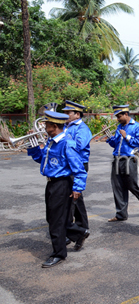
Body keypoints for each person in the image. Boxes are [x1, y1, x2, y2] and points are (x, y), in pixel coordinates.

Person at [27, 111, 89, 268]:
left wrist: (77, 188)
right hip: (51, 184)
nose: (44, 127)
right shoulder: (51, 142)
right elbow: (42, 159)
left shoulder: (67, 144)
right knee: (53, 218)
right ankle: (79, 233)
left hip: (62, 184)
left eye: (46, 125)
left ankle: (59, 254)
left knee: (56, 221)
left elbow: (79, 169)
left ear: (54, 126)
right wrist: (33, 147)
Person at [106, 105, 139, 222]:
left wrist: (126, 136)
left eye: (119, 116)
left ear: (126, 114)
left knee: (132, 186)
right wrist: (109, 137)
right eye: (117, 116)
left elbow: (138, 142)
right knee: (117, 187)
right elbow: (115, 144)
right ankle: (121, 214)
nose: (118, 119)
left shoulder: (136, 126)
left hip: (129, 159)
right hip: (117, 158)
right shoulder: (119, 127)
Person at [62, 100, 92, 251]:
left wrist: (62, 139)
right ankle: (78, 230)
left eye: (68, 113)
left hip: (79, 164)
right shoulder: (66, 127)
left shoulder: (82, 128)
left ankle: (81, 230)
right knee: (74, 199)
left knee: (76, 198)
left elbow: (79, 145)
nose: (66, 115)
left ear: (77, 114)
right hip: (68, 164)